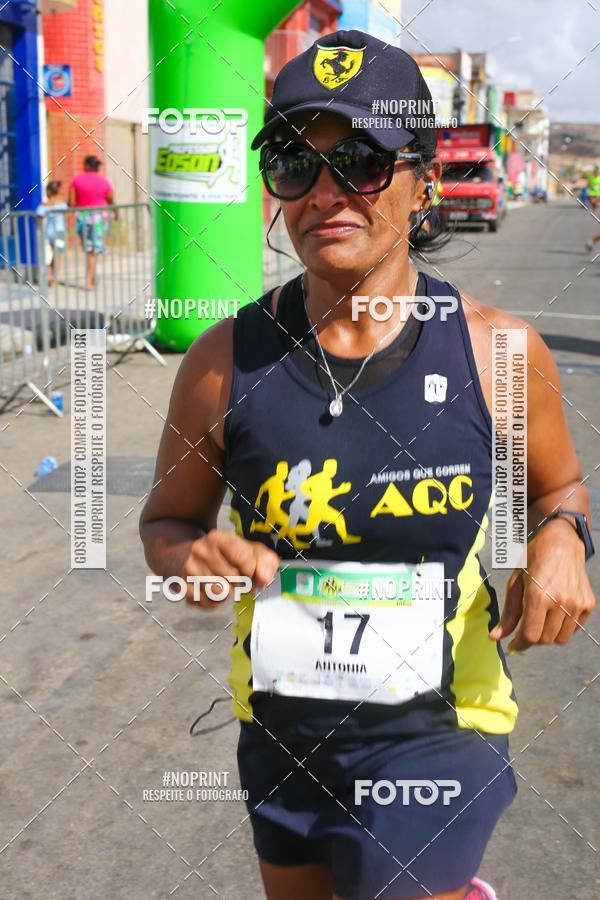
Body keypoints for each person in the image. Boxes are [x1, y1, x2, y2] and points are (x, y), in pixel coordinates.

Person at [139, 30, 596, 900]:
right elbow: (168, 521)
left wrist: (565, 537)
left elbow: (559, 486)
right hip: (280, 729)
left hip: (437, 732)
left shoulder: (499, 350)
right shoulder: (221, 360)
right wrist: (186, 559)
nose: (325, 192)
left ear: (422, 179)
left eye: (359, 160)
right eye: (293, 162)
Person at [68, 154, 115, 289]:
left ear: (86, 166)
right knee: (93, 250)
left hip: (82, 218)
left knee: (89, 250)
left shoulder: (76, 181)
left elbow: (72, 202)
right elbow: (111, 199)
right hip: (99, 218)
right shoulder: (105, 182)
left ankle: (91, 278)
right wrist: (116, 214)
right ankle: (90, 281)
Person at [36, 180, 67, 287]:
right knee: (58, 256)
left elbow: (39, 218)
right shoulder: (62, 203)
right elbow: (66, 213)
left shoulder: (44, 205)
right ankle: (53, 280)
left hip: (49, 232)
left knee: (55, 253)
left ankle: (49, 273)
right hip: (59, 232)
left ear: (48, 191)